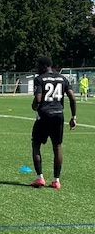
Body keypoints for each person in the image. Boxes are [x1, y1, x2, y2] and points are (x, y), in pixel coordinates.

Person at [30, 56, 76, 189]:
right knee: (57, 146)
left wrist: (34, 106)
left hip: (44, 115)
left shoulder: (39, 79)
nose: (36, 68)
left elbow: (38, 99)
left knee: (36, 144)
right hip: (58, 115)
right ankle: (56, 180)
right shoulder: (62, 78)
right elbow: (72, 97)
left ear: (44, 66)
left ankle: (40, 177)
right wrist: (73, 116)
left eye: (37, 65)